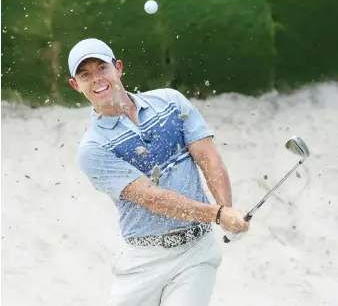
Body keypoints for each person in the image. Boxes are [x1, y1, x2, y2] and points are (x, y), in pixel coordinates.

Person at [68, 38, 250, 306]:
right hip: (142, 262)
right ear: (75, 85)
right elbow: (150, 196)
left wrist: (227, 210)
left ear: (118, 68)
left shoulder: (170, 102)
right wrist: (217, 213)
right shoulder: (93, 149)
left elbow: (208, 157)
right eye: (85, 74)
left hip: (195, 251)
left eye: (101, 68)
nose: (96, 78)